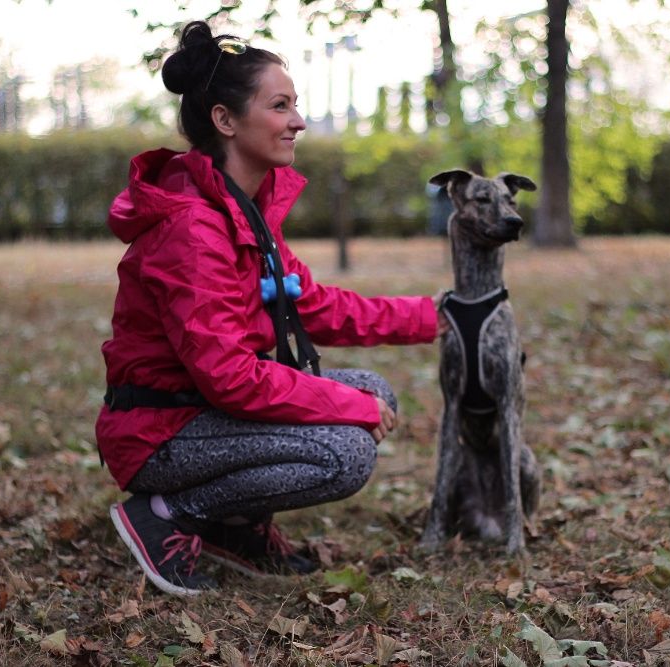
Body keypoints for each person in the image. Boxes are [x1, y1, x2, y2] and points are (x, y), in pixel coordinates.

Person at [97, 20, 442, 597]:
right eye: (281, 106)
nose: (298, 122)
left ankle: (237, 531)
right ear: (226, 121)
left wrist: (436, 317)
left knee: (375, 391)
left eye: (296, 106)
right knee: (345, 452)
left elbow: (311, 306)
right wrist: (343, 405)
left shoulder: (241, 211)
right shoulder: (193, 230)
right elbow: (230, 378)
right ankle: (168, 513)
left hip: (198, 415)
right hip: (159, 432)